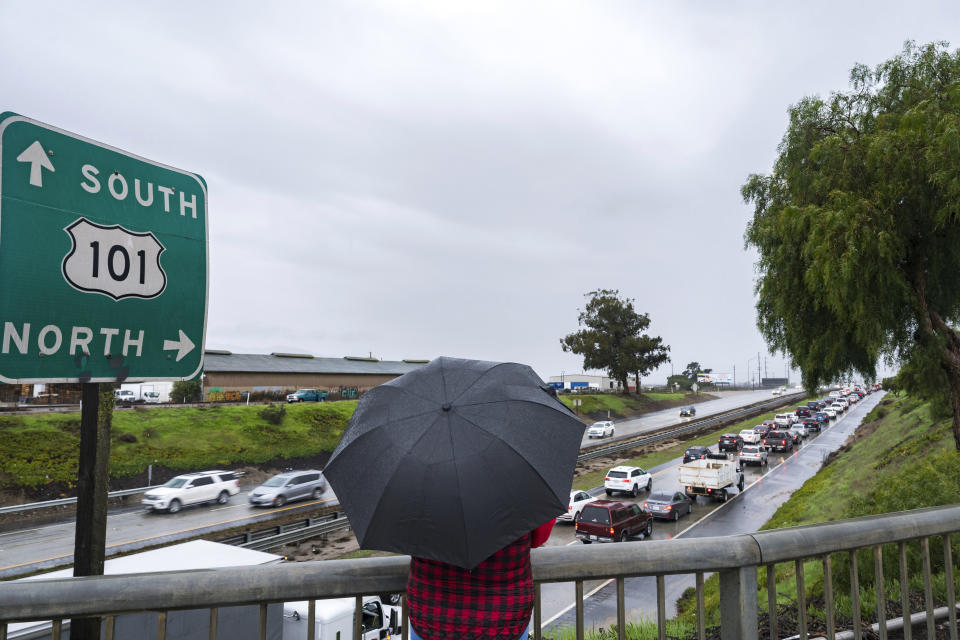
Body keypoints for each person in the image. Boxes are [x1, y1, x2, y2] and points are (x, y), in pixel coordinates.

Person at [406, 518, 556, 640]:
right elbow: (539, 537)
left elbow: (404, 536)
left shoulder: (418, 486)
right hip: (504, 619)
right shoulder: (524, 486)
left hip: (431, 617)